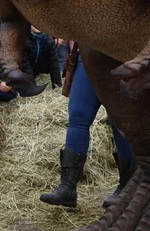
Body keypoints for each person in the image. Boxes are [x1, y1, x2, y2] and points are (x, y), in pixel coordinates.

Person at [40, 45, 134, 209]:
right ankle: (67, 187)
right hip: (88, 54)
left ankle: (127, 188)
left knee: (118, 119)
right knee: (77, 116)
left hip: (120, 55)